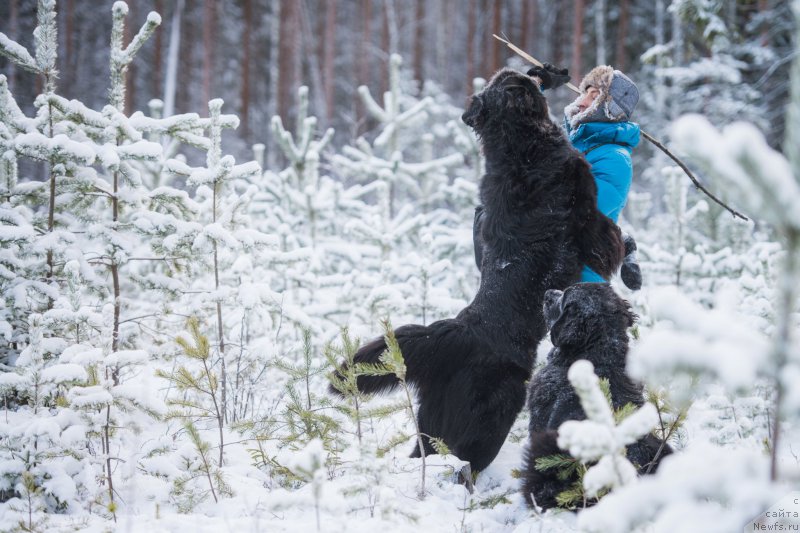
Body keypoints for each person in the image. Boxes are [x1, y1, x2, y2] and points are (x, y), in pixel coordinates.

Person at [472, 63, 642, 289]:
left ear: (611, 109)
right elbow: (520, 137)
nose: (581, 101)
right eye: (583, 92)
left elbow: (574, 213)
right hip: (544, 274)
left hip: (576, 287)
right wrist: (533, 87)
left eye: (593, 96)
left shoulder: (615, 159)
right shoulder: (572, 143)